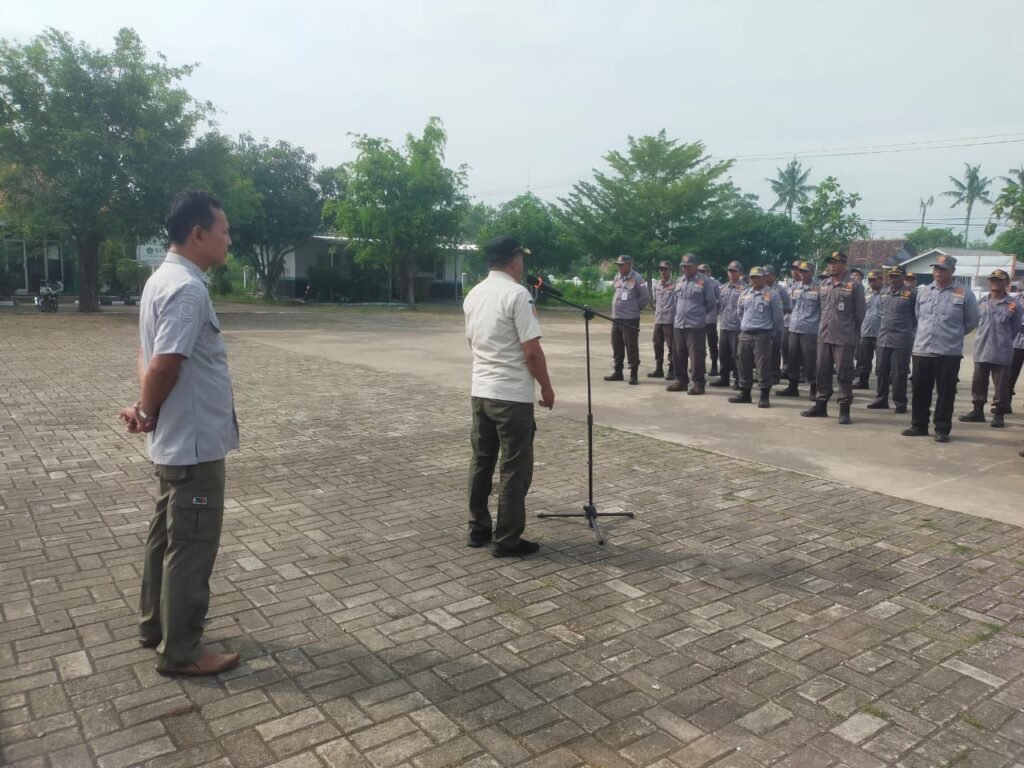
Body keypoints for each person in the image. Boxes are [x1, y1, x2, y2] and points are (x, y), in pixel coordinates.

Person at [117, 189, 240, 677]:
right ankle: (182, 651)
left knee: (165, 538)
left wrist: (144, 409)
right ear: (199, 233)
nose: (229, 240)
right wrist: (146, 409)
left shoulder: (159, 280)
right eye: (224, 231)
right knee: (191, 544)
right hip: (193, 445)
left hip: (176, 441)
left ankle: (155, 626)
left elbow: (146, 354)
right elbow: (164, 363)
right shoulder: (187, 289)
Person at [463, 235, 555, 558]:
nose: (523, 264)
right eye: (521, 258)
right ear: (514, 260)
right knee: (515, 467)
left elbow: (472, 342)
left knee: (481, 462)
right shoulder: (518, 294)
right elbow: (532, 352)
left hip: (481, 392)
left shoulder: (474, 294)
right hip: (511, 396)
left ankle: (478, 529)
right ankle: (507, 539)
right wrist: (546, 387)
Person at [902, 253, 979, 442]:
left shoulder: (964, 293)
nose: (938, 271)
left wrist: (952, 334)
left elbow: (971, 321)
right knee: (920, 391)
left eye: (942, 269)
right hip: (922, 349)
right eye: (936, 268)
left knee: (946, 393)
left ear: (952, 271)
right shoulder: (924, 292)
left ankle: (942, 429)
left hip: (948, 352)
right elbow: (919, 316)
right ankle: (919, 425)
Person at [802, 251, 866, 425]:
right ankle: (820, 405)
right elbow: (821, 309)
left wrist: (852, 334)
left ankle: (844, 409)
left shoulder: (854, 285)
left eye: (835, 262)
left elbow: (860, 314)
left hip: (843, 337)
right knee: (822, 371)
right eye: (829, 262)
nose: (831, 265)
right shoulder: (824, 284)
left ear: (844, 264)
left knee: (844, 373)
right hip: (824, 335)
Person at [958, 269, 1022, 428]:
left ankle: (999, 414)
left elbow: (1015, 329)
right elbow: (974, 322)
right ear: (989, 282)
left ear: (1006, 283)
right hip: (982, 348)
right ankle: (977, 411)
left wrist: (1004, 341)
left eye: (1000, 280)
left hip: (1002, 350)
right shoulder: (982, 302)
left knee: (1001, 385)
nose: (996, 283)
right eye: (993, 280)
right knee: (978, 382)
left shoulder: (1014, 304)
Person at [729, 267, 784, 408]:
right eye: (752, 277)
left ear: (764, 278)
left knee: (763, 366)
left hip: (762, 335)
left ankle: (764, 395)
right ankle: (745, 393)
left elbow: (778, 318)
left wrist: (771, 333)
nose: (754, 280)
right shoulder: (745, 293)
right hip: (745, 334)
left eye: (758, 277)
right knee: (743, 365)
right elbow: (740, 312)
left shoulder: (772, 294)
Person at [667, 253, 717, 394]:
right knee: (678, 355)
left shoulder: (704, 281)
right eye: (684, 266)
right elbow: (676, 300)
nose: (686, 269)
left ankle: (699, 384)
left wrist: (698, 314)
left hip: (695, 326)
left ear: (695, 266)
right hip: (679, 324)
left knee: (696, 356)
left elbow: (711, 303)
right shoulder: (679, 281)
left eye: (689, 266)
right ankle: (681, 381)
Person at [868, 266, 916, 414]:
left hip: (901, 340)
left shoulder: (911, 294)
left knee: (899, 373)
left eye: (896, 276)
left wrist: (910, 333)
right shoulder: (884, 293)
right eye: (891, 276)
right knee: (881, 370)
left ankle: (900, 402)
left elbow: (917, 316)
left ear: (903, 277)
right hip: (883, 338)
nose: (893, 279)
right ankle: (881, 399)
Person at [777, 261, 819, 400]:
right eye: (801, 271)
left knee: (810, 360)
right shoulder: (794, 288)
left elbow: (824, 309)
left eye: (805, 271)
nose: (802, 274)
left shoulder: (819, 289)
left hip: (810, 330)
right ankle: (792, 386)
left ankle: (814, 387)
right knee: (792, 358)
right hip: (794, 327)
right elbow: (790, 306)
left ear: (812, 272)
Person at [605, 255, 650, 385]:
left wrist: (635, 309)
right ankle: (618, 372)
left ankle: (633, 374)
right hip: (617, 317)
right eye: (618, 265)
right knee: (616, 345)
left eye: (621, 265)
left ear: (629, 265)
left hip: (630, 319)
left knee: (631, 347)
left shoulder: (637, 278)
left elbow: (645, 297)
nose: (619, 267)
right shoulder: (617, 277)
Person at [711, 260, 744, 388]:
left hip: (737, 327)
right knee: (723, 354)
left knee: (737, 355)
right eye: (730, 270)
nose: (732, 273)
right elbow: (718, 305)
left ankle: (738, 379)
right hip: (724, 325)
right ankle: (724, 378)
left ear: (740, 273)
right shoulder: (723, 287)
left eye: (734, 271)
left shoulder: (745, 289)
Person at [762, 266, 791, 385]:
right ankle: (763, 374)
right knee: (762, 353)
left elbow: (788, 307)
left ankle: (774, 375)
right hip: (762, 326)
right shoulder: (760, 289)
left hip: (775, 326)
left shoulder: (780, 290)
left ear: (773, 276)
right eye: (763, 275)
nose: (765, 277)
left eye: (767, 275)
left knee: (774, 351)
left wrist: (777, 312)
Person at [855, 270, 883, 389]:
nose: (872, 282)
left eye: (874, 280)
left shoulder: (887, 293)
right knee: (864, 359)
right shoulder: (866, 293)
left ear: (881, 279)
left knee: (881, 361)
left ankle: (882, 385)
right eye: (870, 280)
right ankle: (863, 381)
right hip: (866, 330)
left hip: (881, 331)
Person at [648, 260, 676, 380]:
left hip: (670, 320)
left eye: (665, 269)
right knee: (657, 345)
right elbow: (656, 301)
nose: (663, 272)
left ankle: (672, 369)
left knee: (672, 346)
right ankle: (658, 368)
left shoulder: (675, 285)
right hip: (658, 319)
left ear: (670, 270)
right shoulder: (657, 285)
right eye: (661, 269)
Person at [698, 263, 721, 377]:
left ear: (709, 272)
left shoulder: (715, 284)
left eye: (704, 271)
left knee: (712, 344)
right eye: (700, 271)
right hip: (698, 320)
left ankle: (714, 366)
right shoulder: (696, 282)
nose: (701, 273)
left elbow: (720, 300)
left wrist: (715, 312)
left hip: (710, 319)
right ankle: (699, 366)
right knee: (698, 345)